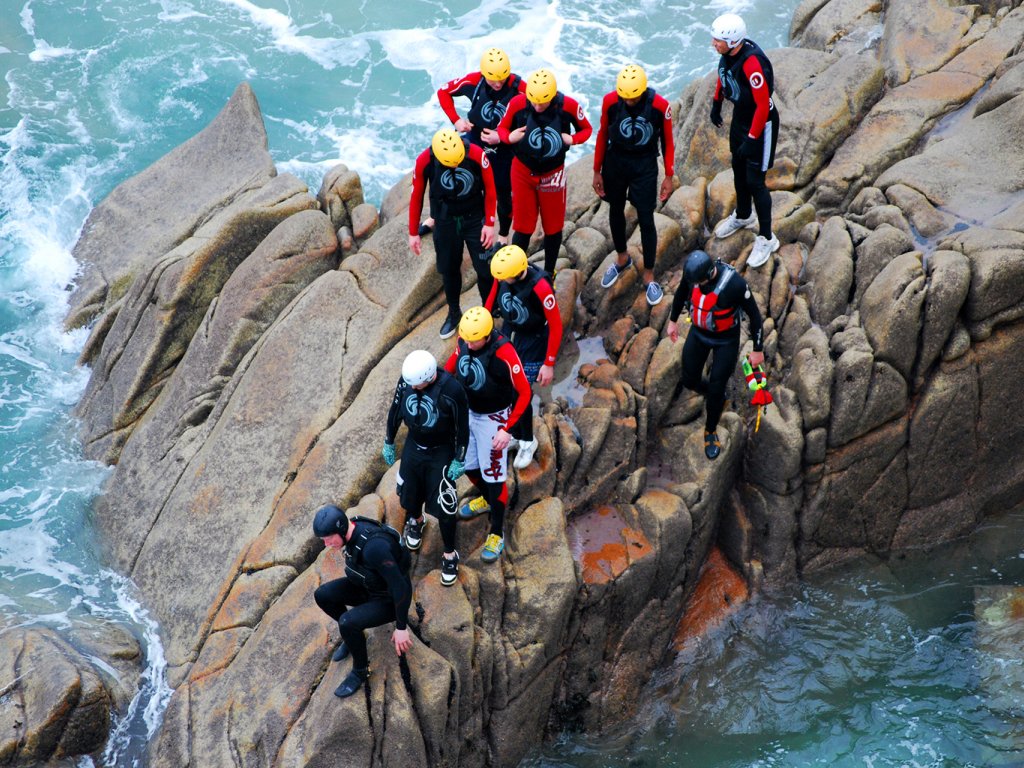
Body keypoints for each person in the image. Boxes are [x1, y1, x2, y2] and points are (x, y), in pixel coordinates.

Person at [444, 307, 531, 566]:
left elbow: (524, 392)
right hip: (468, 412)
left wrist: (509, 430)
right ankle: (485, 497)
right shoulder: (465, 342)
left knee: (494, 474)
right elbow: (450, 369)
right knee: (468, 465)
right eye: (466, 339)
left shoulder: (504, 352)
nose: (469, 345)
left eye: (474, 340)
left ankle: (496, 531)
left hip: (494, 419)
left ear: (487, 335)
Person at [665, 250, 764, 460]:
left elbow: (755, 316)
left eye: (699, 282)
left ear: (709, 273)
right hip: (699, 333)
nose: (697, 285)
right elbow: (682, 292)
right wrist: (673, 321)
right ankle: (714, 395)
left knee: (718, 385)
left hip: (725, 340)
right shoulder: (692, 275)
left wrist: (758, 349)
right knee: (689, 379)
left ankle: (710, 430)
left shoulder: (735, 285)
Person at [383, 349, 469, 587]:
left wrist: (459, 458)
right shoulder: (408, 381)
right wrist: (389, 440)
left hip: (441, 450)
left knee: (445, 504)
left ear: (429, 376)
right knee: (408, 494)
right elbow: (396, 409)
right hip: (414, 446)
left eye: (416, 384)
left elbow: (463, 427)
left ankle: (450, 554)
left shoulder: (451, 390)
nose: (412, 387)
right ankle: (416, 520)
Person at [593, 64, 675, 306]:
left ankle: (649, 275)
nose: (628, 100)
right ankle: (622, 259)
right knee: (615, 210)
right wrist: (596, 170)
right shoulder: (610, 101)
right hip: (615, 161)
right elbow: (602, 134)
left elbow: (668, 142)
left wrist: (669, 175)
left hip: (644, 165)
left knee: (646, 218)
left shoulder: (660, 106)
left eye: (633, 96)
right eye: (624, 96)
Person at [497, 69, 593, 275]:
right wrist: (509, 137)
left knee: (553, 227)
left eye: (543, 102)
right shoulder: (517, 104)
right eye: (534, 102)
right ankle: (514, 272)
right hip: (523, 171)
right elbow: (502, 130)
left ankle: (549, 273)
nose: (538, 106)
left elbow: (586, 129)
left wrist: (572, 139)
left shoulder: (568, 105)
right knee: (523, 226)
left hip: (553, 174)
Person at [312, 504, 414, 698]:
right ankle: (353, 638)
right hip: (368, 586)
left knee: (347, 622)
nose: (326, 544)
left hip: (388, 600)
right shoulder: (353, 527)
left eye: (328, 539)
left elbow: (400, 586)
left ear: (341, 530)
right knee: (322, 595)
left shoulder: (375, 548)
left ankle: (360, 671)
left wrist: (401, 628)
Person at [708, 13, 781, 268]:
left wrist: (752, 138)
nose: (713, 43)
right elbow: (723, 74)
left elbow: (762, 105)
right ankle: (743, 215)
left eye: (718, 40)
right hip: (741, 118)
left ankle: (767, 237)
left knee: (755, 182)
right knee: (738, 171)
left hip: (762, 123)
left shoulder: (752, 64)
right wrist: (717, 102)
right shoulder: (728, 54)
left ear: (732, 40)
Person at [409, 128, 497, 338]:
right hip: (446, 219)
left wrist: (490, 223)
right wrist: (413, 232)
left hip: (475, 217)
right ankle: (454, 313)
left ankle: (490, 311)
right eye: (452, 163)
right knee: (449, 269)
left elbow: (491, 189)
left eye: (458, 160)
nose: (456, 165)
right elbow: (417, 195)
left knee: (485, 268)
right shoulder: (425, 161)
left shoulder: (476, 153)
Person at [437, 47, 527, 247]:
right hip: (476, 139)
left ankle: (503, 235)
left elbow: (538, 116)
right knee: (456, 177)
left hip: (505, 147)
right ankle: (439, 217)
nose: (497, 83)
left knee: (503, 193)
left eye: (502, 78)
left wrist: (503, 137)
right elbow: (443, 91)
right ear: (484, 74)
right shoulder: (473, 81)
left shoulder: (520, 88)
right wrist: (456, 120)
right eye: (492, 79)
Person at [484, 244, 562, 469]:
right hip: (511, 333)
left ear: (516, 272)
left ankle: (528, 440)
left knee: (521, 392)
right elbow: (491, 296)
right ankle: (517, 431)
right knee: (506, 388)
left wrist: (549, 363)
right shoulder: (504, 275)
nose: (501, 280)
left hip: (534, 341)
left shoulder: (541, 288)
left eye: (504, 277)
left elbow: (556, 325)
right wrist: (484, 319)